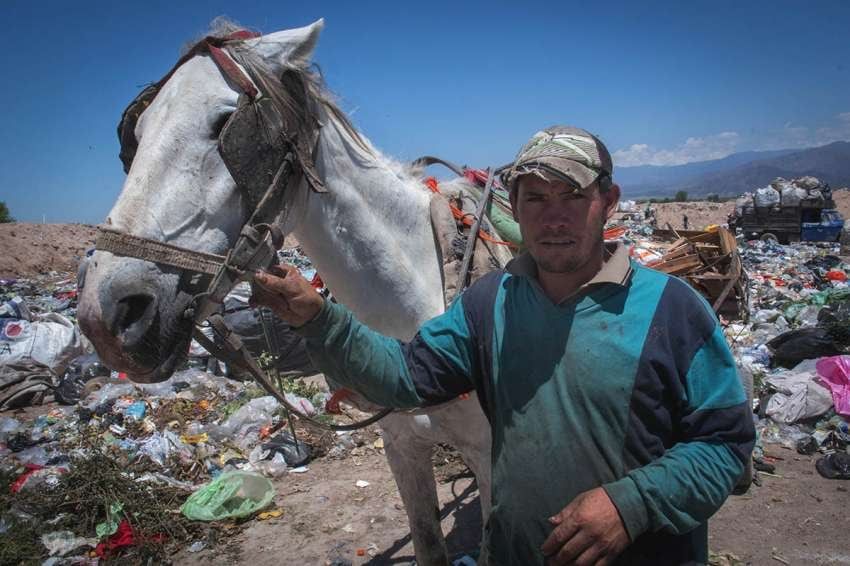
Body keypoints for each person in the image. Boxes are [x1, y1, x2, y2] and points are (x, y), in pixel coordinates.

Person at [250, 125, 754, 565]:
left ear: (609, 201)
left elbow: (725, 446)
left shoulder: (674, 310)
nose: (553, 218)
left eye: (572, 196)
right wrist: (320, 319)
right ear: (514, 207)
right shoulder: (489, 303)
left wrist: (630, 506)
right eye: (535, 198)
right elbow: (406, 376)